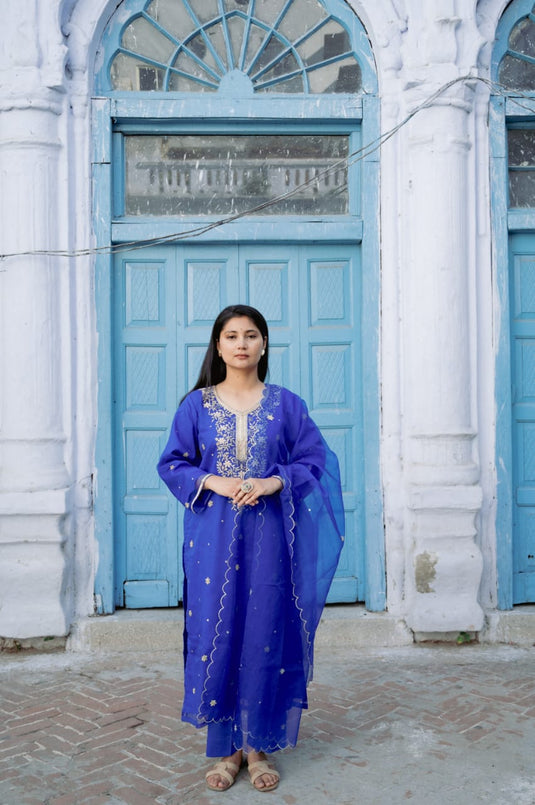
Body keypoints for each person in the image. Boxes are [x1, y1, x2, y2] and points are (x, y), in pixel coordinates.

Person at [157, 304, 344, 793]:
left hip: (268, 538)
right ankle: (226, 749)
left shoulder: (286, 405)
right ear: (218, 346)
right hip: (213, 539)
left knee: (262, 629)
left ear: (263, 345)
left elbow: (314, 460)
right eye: (231, 335)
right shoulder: (196, 406)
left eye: (251, 335)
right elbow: (172, 464)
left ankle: (258, 746)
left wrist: (272, 482)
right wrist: (213, 481)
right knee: (218, 632)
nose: (241, 343)